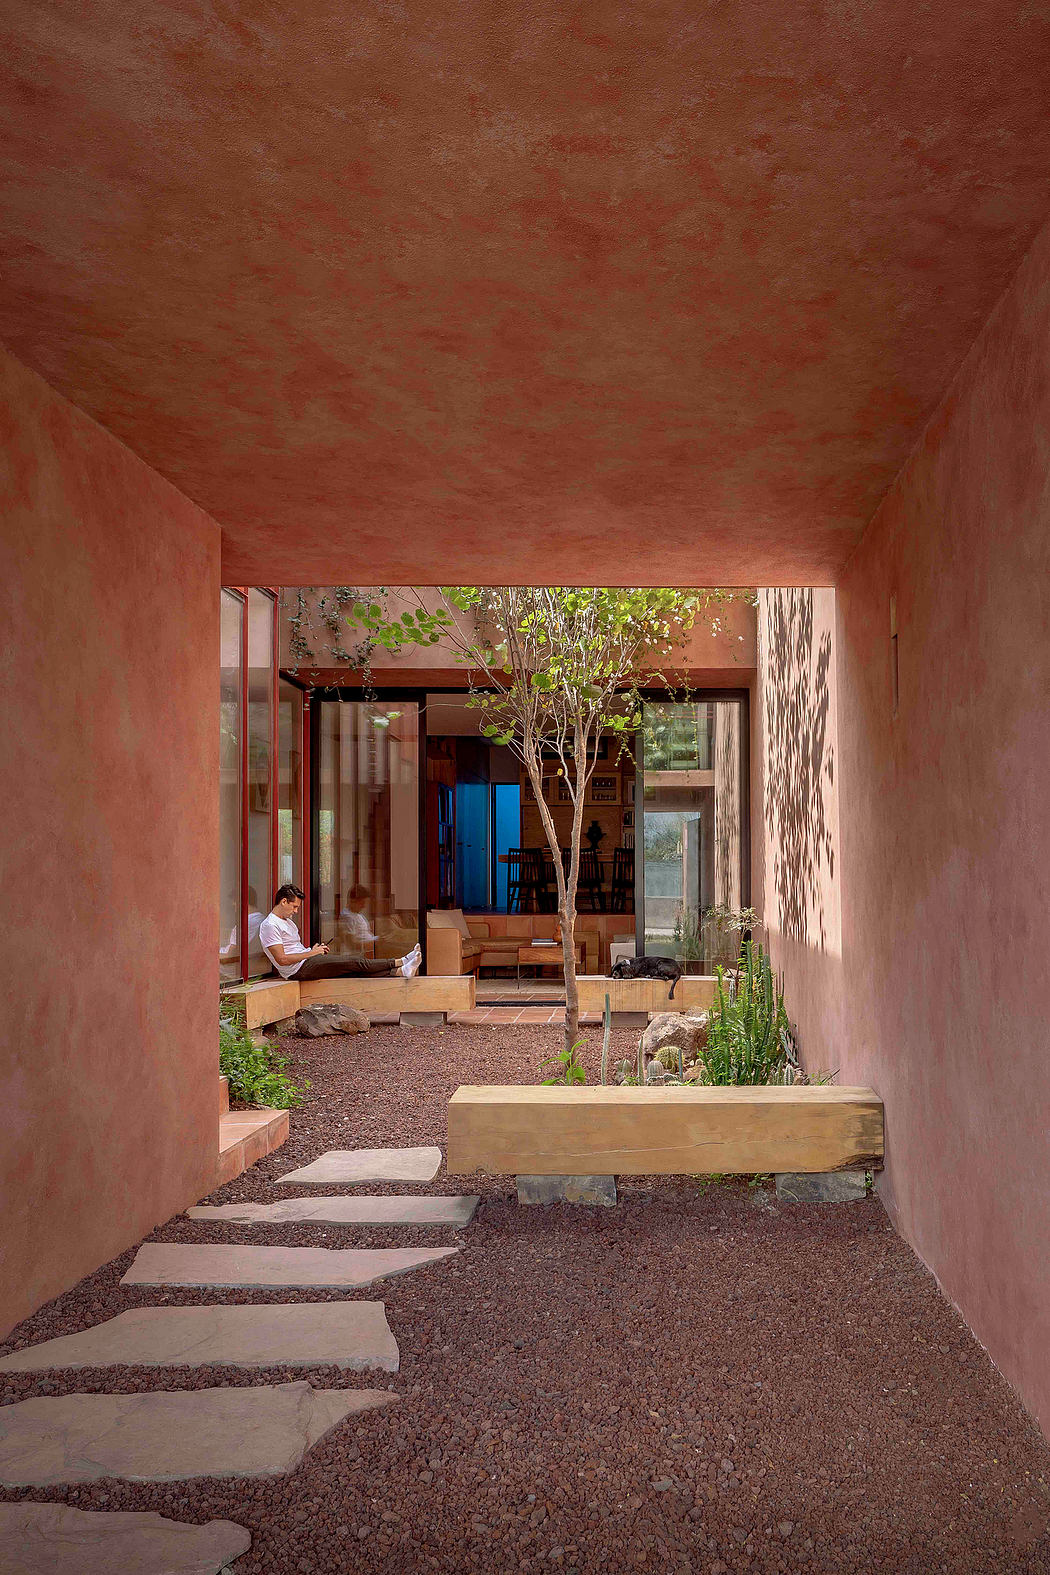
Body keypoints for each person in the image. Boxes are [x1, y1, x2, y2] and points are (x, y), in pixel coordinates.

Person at [258, 884, 421, 981]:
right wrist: (311, 953)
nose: (295, 911)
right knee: (355, 962)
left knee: (352, 969)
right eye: (294, 907)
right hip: (297, 970)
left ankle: (400, 971)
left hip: (305, 961)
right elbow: (283, 959)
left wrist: (311, 950)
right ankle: (400, 961)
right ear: (283, 901)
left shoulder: (287, 922)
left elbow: (293, 949)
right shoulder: (270, 925)